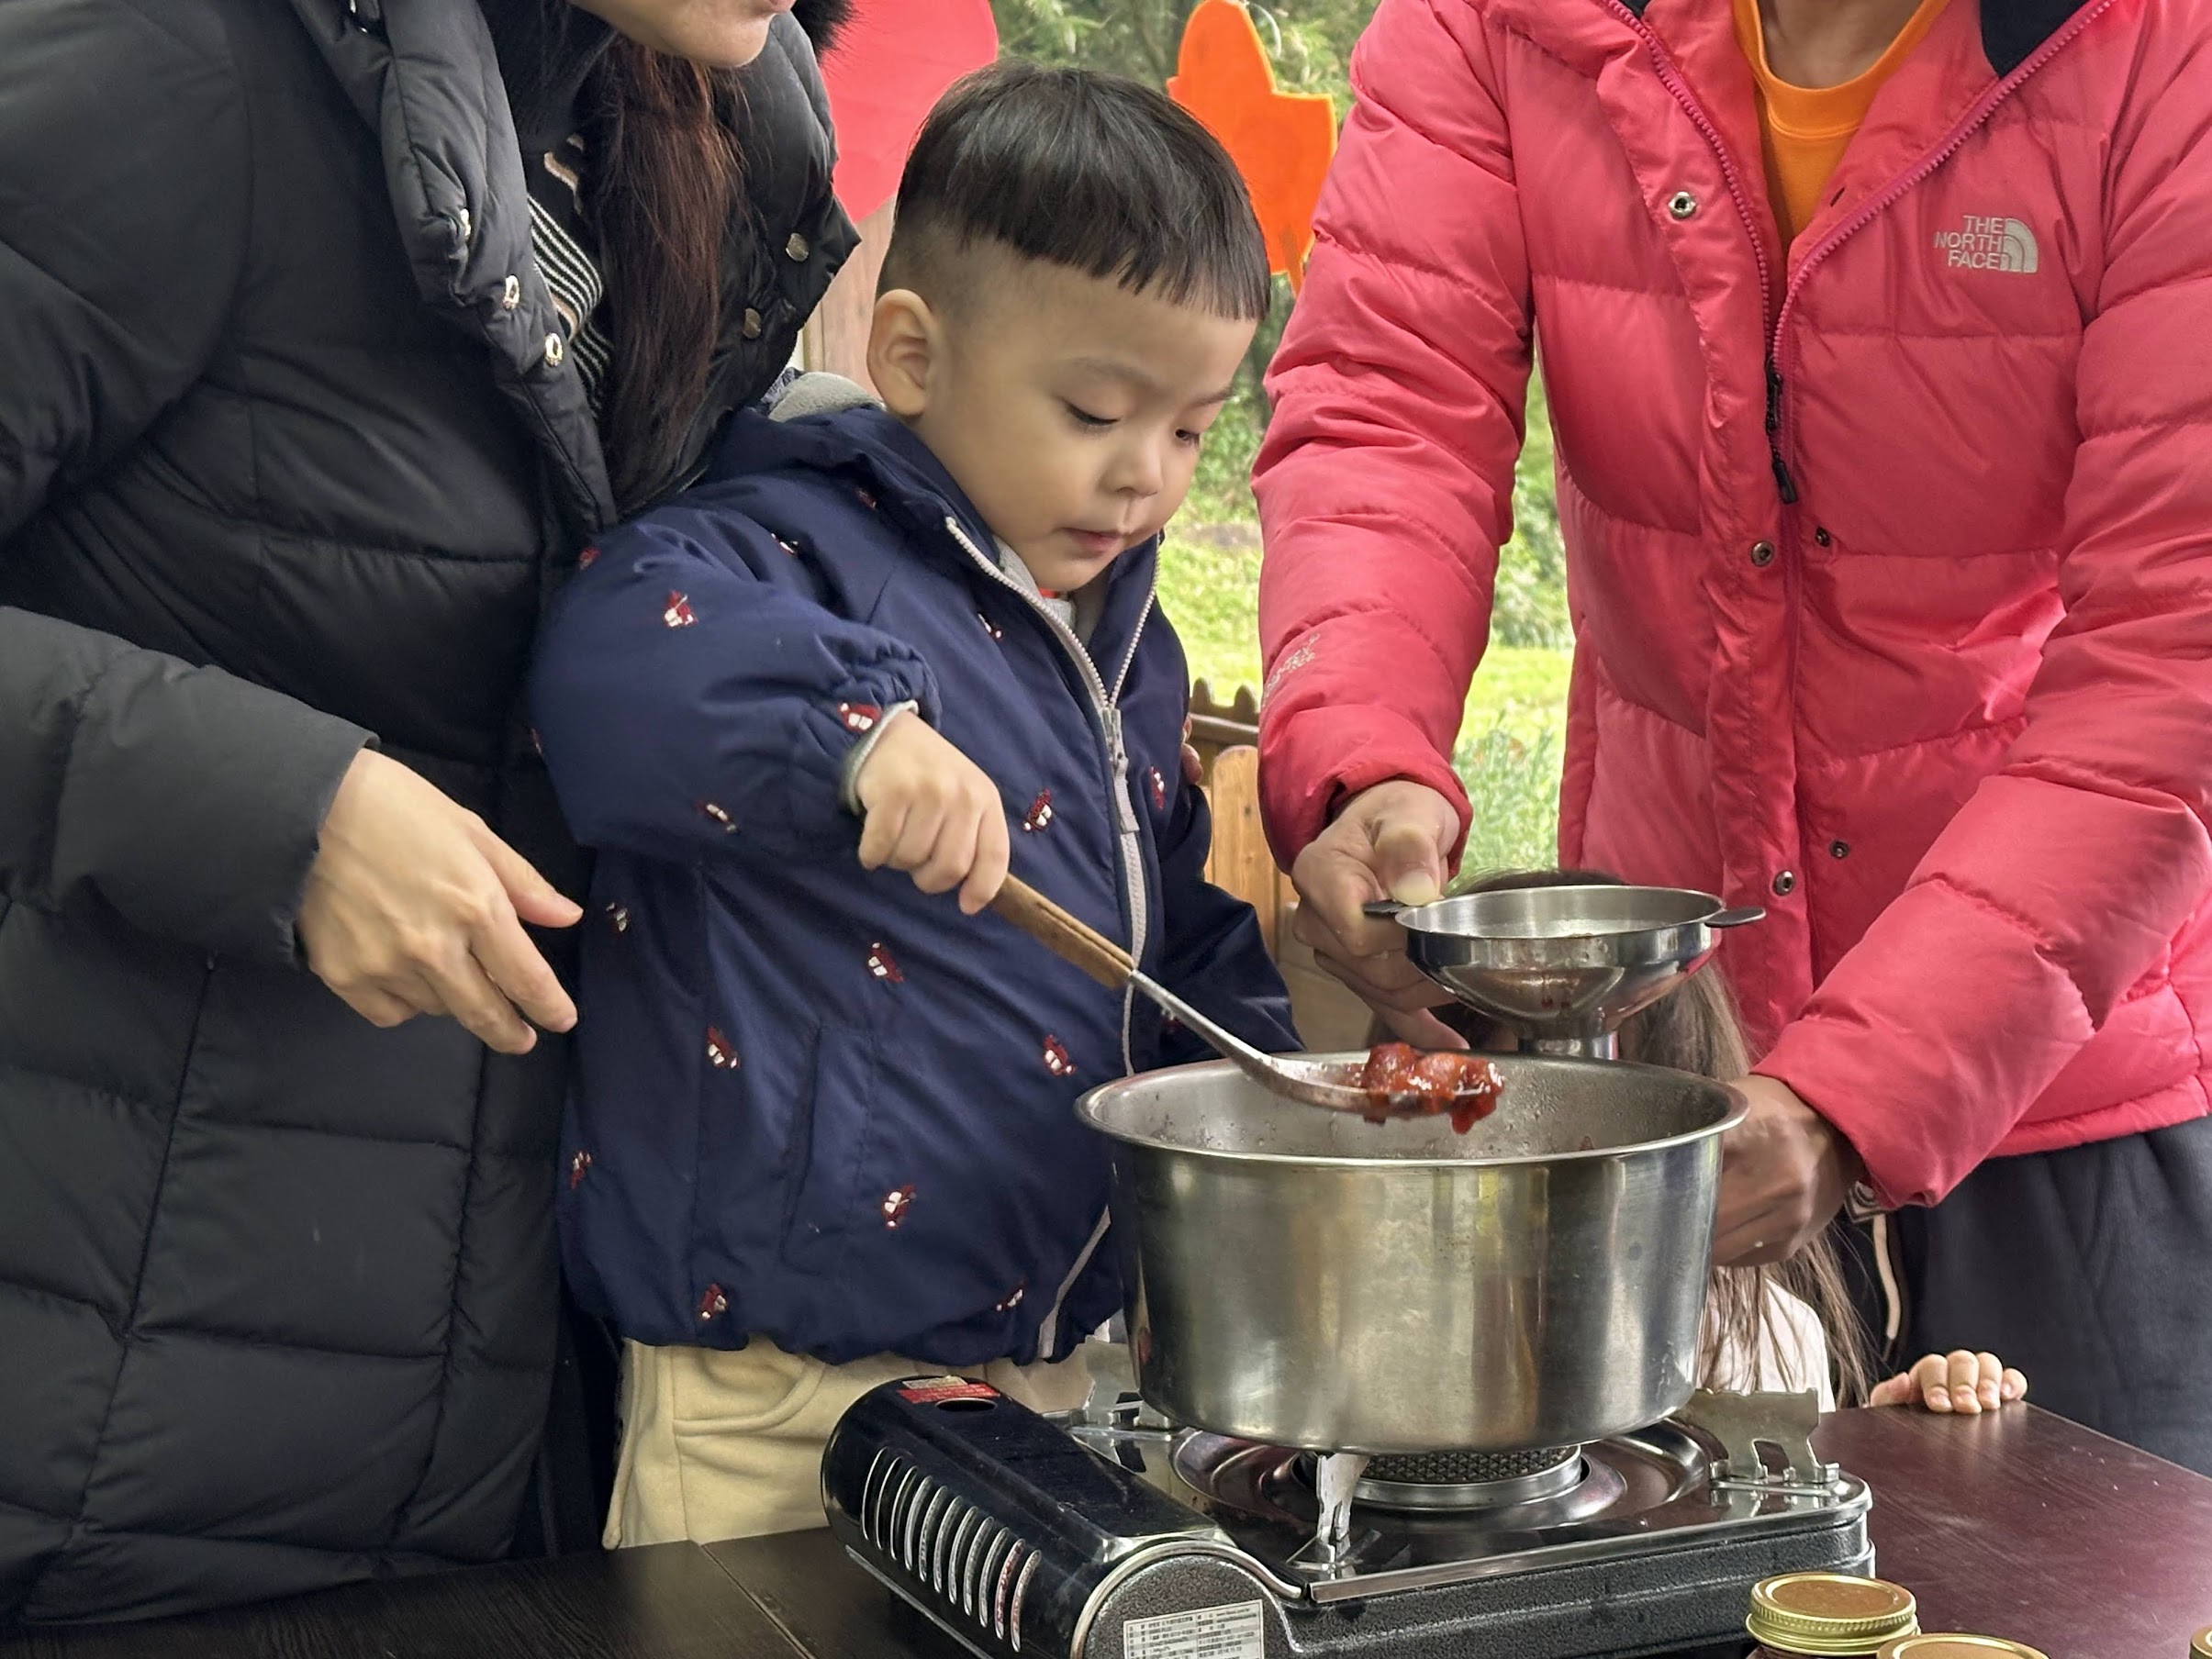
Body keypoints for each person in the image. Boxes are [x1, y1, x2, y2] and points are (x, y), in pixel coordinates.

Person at [1256, 0, 2212, 1472]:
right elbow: (1390, 405)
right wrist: (1361, 757)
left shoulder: (2162, 45)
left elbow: (2172, 653)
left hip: (2071, 1068)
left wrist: (1854, 1097)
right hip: (1668, 1050)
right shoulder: (1501, 20)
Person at [0, 0, 853, 1622]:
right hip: (114, 1425)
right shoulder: (173, 63)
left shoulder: (724, 121)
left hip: (537, 1400)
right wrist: (279, 813)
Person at [529, 61, 1299, 1546]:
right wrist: (857, 738)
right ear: (911, 352)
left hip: (1038, 1370)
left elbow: (1169, 944)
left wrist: (1279, 1104)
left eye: (1195, 432)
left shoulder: (1127, 656)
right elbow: (610, 660)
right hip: (770, 1387)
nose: (1145, 477)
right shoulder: (774, 543)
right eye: (1093, 409)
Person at [1451, 872, 2028, 1416]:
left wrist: (1888, 1438)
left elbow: (1792, 1496)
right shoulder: (1405, 1328)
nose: (1558, 1191)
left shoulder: (1768, 1336)